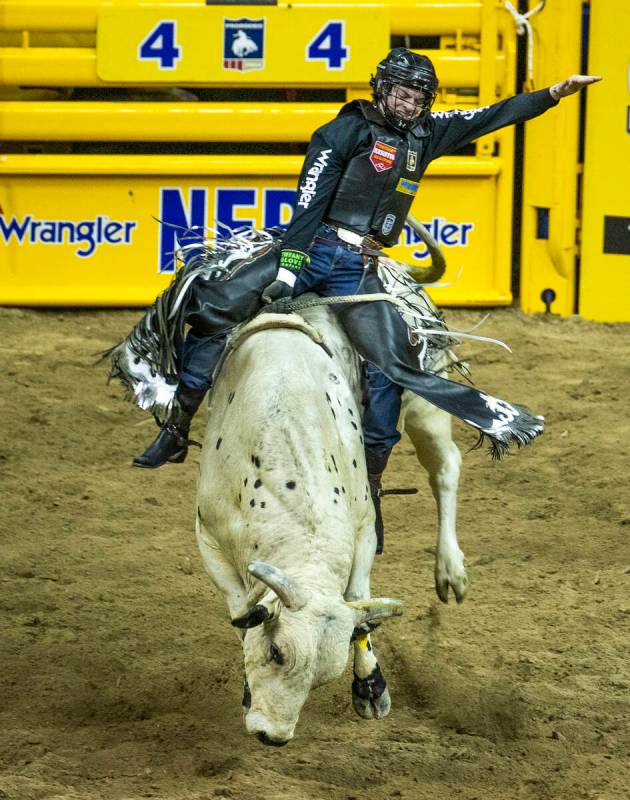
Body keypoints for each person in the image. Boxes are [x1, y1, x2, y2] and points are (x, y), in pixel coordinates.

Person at [132, 47, 600, 541]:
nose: (410, 104)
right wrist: (290, 270)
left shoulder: (425, 133)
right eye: (402, 94)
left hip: (360, 265)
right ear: (382, 89)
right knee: (215, 305)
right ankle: (178, 424)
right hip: (313, 246)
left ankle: (372, 481)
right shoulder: (342, 133)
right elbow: (308, 205)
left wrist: (553, 94)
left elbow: (490, 116)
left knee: (391, 364)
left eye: (419, 97)